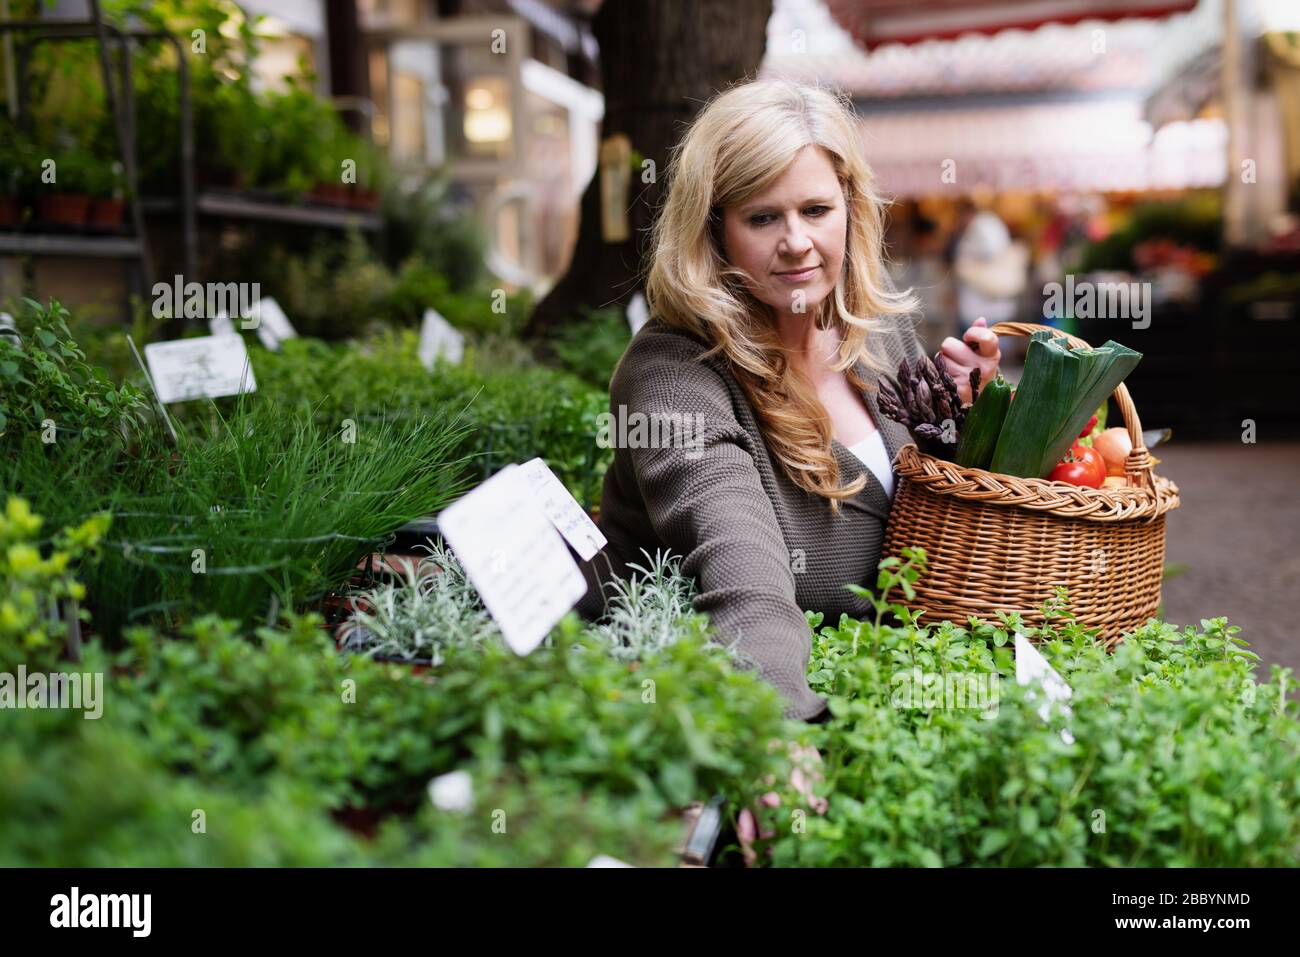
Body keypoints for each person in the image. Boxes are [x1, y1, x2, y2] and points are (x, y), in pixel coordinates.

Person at [575, 78, 1000, 725]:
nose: (797, 241)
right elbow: (741, 569)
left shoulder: (874, 329)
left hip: (906, 680)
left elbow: (938, 516)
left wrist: (975, 423)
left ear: (850, 208)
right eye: (763, 217)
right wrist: (773, 728)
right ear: (714, 229)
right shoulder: (674, 373)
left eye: (815, 210)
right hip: (684, 711)